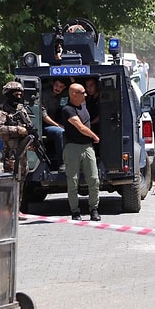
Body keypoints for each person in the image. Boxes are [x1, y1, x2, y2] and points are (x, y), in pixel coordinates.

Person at [61, 82, 101, 221]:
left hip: (87, 147)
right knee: (73, 181)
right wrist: (95, 136)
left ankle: (94, 210)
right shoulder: (68, 110)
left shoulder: (84, 105)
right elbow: (80, 127)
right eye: (82, 92)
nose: (85, 94)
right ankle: (75, 211)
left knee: (94, 179)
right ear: (73, 95)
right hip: (73, 147)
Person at [0, 81, 32, 209]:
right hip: (11, 153)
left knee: (22, 180)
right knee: (12, 180)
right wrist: (17, 130)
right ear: (9, 94)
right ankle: (9, 209)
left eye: (20, 93)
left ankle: (18, 208)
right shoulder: (2, 111)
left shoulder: (21, 108)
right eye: (16, 93)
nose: (19, 95)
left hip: (22, 152)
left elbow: (28, 125)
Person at [41, 78, 67, 171]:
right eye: (56, 85)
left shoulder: (61, 95)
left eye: (61, 87)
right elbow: (44, 116)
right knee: (60, 132)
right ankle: (62, 163)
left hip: (54, 123)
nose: (58, 88)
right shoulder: (44, 95)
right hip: (42, 126)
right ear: (52, 84)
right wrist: (58, 125)